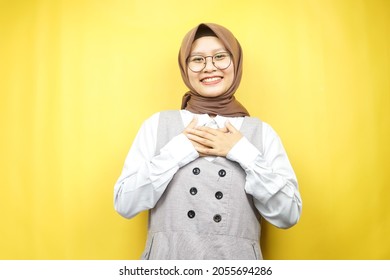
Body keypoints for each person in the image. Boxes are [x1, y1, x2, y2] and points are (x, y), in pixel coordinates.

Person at [113, 23, 302, 260]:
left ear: (236, 62)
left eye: (220, 57)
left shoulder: (261, 133)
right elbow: (125, 204)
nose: (209, 67)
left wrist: (242, 152)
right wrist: (178, 151)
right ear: (185, 66)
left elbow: (288, 215)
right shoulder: (157, 124)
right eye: (197, 59)